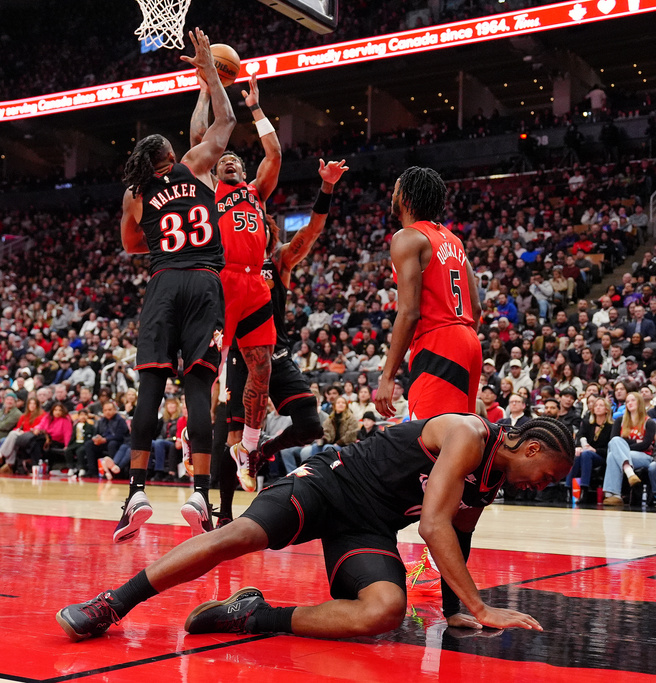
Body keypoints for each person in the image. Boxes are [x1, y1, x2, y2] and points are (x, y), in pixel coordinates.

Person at [57, 416, 574, 642]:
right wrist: (484, 606)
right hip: (332, 483)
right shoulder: (468, 433)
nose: (542, 484)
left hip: (368, 526)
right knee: (239, 536)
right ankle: (112, 604)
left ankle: (252, 616)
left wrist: (459, 612)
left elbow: (458, 537)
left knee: (386, 611)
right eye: (547, 473)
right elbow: (435, 525)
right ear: (529, 449)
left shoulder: (489, 481)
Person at [113, 29, 234, 543]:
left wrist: (163, 236)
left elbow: (131, 247)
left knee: (151, 388)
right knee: (200, 390)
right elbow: (225, 122)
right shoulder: (196, 166)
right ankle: (201, 495)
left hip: (163, 282)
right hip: (205, 283)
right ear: (171, 153)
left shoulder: (135, 194)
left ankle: (137, 490)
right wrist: (209, 76)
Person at [215, 159, 346, 523]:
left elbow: (315, 228)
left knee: (311, 425)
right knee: (233, 435)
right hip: (243, 353)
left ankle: (261, 453)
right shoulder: (232, 260)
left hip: (279, 350)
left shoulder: (280, 261)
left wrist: (327, 187)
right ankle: (225, 514)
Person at [190, 72, 280, 491]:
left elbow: (274, 153)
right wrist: (205, 93)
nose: (228, 162)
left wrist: (257, 108)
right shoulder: (210, 188)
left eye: (235, 161)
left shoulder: (256, 192)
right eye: (224, 160)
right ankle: (191, 436)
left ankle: (246, 448)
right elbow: (197, 141)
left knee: (260, 370)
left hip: (255, 284)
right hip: (221, 281)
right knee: (210, 371)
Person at [374, 167, 482, 422]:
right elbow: (476, 308)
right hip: (468, 340)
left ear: (407, 198)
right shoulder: (454, 240)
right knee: (460, 441)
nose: (392, 196)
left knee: (429, 440)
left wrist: (387, 376)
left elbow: (409, 312)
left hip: (438, 343)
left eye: (396, 190)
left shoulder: (407, 237)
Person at [601, 391, 655, 506]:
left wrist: (623, 447)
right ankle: (628, 473)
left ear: (639, 403)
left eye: (632, 400)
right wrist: (634, 442)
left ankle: (612, 493)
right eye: (627, 401)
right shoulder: (620, 421)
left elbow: (645, 445)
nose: (629, 403)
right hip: (628, 455)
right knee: (613, 449)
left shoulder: (649, 422)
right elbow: (613, 442)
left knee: (614, 454)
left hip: (644, 456)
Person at [568, 397, 612, 504]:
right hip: (586, 454)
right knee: (577, 455)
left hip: (602, 456)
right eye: (596, 405)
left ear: (607, 409)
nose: (597, 407)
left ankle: (584, 490)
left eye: (601, 405)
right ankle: (568, 489)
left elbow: (610, 448)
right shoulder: (587, 423)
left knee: (587, 454)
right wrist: (578, 447)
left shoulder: (611, 426)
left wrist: (595, 450)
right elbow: (579, 436)